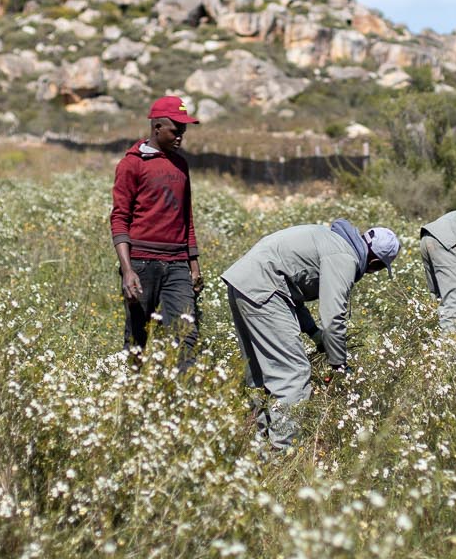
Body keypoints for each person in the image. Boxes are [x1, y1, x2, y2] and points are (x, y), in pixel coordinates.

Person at [221, 220, 400, 450]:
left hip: (243, 281)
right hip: (265, 288)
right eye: (379, 269)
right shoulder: (345, 257)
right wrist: (338, 365)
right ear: (375, 262)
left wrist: (315, 335)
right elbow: (334, 317)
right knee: (293, 374)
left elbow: (293, 295)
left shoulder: (333, 239)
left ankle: (256, 445)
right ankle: (281, 455)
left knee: (259, 374)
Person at [110, 94, 202, 367]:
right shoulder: (132, 163)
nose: (180, 138)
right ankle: (129, 399)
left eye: (183, 132)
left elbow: (187, 217)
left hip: (176, 265)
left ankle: (184, 400)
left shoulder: (180, 164)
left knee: (186, 334)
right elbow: (119, 218)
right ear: (157, 126)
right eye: (176, 130)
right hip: (141, 264)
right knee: (138, 337)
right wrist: (128, 270)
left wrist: (193, 264)